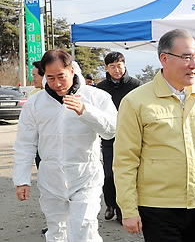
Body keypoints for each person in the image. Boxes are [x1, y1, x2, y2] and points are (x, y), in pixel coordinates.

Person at [113, 29, 195, 242]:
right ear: (164, 58)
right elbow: (125, 159)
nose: (194, 64)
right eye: (186, 57)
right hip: (158, 207)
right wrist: (128, 208)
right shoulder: (136, 102)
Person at [13, 49, 117, 242]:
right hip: (51, 178)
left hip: (85, 176)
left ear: (71, 70)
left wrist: (86, 111)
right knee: (56, 232)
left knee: (84, 230)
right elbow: (25, 143)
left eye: (61, 76)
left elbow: (111, 130)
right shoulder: (36, 103)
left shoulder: (96, 97)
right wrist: (22, 179)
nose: (57, 83)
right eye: (50, 78)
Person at [96, 51, 142, 223]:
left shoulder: (136, 85)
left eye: (119, 65)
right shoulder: (100, 89)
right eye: (112, 66)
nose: (117, 70)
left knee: (130, 173)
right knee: (109, 174)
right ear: (106, 68)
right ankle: (110, 204)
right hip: (109, 137)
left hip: (131, 136)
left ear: (125, 65)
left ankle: (126, 208)